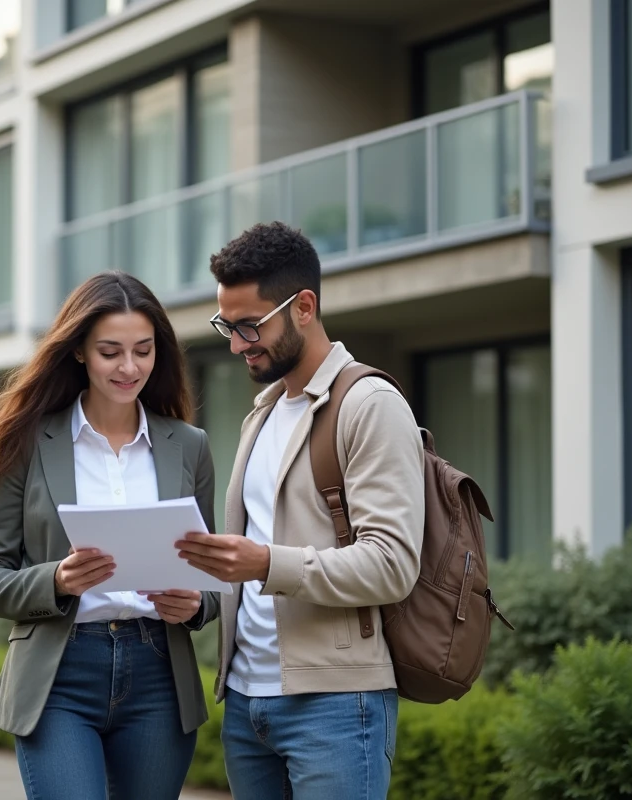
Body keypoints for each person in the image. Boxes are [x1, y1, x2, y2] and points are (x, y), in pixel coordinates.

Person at [176, 222, 425, 800]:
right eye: (227, 325)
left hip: (336, 705)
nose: (236, 344)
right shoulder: (261, 416)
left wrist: (264, 563)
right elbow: (252, 560)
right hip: (245, 702)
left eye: (248, 326)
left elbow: (391, 565)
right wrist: (201, 597)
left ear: (304, 307)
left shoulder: (370, 404)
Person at [0, 270, 220, 800]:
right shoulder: (29, 441)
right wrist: (56, 580)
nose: (129, 368)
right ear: (79, 350)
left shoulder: (189, 446)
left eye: (143, 351)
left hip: (159, 677)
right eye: (110, 352)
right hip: (59, 677)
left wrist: (195, 605)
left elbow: (216, 575)